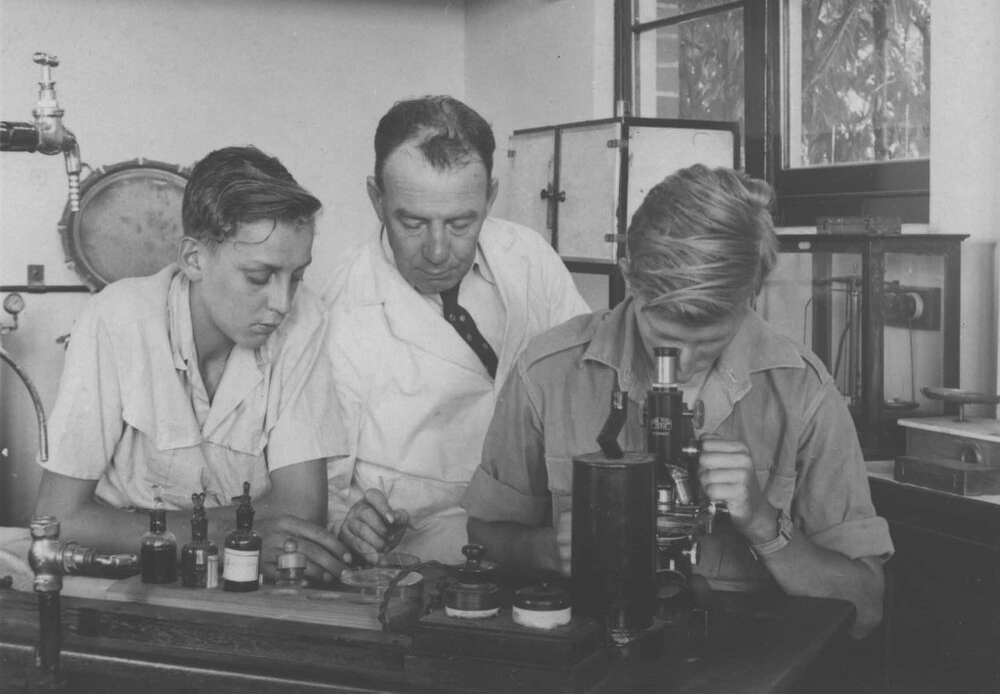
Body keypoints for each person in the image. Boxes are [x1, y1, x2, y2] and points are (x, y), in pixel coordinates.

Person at [463, 164, 894, 639]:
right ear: (629, 276)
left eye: (708, 343)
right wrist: (545, 550)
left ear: (752, 294)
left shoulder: (802, 392)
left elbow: (866, 607)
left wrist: (763, 522)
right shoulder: (548, 373)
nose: (683, 364)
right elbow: (483, 538)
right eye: (663, 337)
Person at [33, 146, 352, 583]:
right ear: (193, 259)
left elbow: (301, 510)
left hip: (241, 574)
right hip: (123, 573)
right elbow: (60, 517)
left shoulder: (304, 320)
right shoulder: (115, 319)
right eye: (259, 277)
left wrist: (170, 532)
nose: (281, 303)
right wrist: (218, 534)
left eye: (296, 276)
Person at [323, 96, 590, 565]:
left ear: (489, 197)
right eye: (412, 222)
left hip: (548, 538)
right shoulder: (340, 308)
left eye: (461, 223)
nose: (438, 250)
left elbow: (586, 384)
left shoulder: (529, 258)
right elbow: (323, 491)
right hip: (424, 555)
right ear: (376, 199)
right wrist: (350, 521)